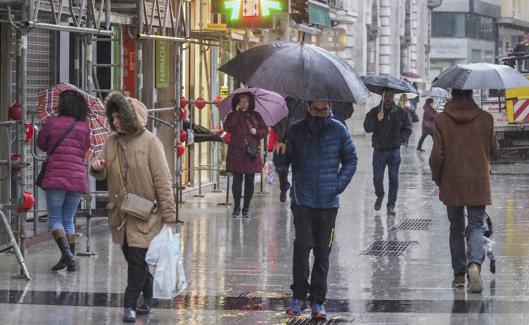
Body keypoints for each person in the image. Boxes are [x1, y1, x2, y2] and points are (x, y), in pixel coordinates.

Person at [90, 91, 177, 322]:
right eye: (113, 117)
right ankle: (149, 297)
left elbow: (163, 179)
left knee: (137, 260)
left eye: (119, 117)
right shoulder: (111, 142)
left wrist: (169, 213)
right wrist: (97, 167)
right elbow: (103, 170)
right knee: (133, 259)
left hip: (146, 213)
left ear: (131, 118)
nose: (115, 122)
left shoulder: (151, 142)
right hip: (120, 215)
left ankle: (129, 304)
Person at [280, 100, 357, 320]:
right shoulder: (295, 129)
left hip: (328, 204)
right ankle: (298, 297)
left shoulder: (338, 130)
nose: (320, 113)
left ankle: (318, 301)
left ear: (330, 107)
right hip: (302, 201)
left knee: (323, 253)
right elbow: (285, 160)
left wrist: (338, 185)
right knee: (302, 249)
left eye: (324, 110)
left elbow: (351, 159)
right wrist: (279, 154)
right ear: (308, 107)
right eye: (316, 109)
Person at [429, 89, 499, 293]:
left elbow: (437, 156)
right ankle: (475, 264)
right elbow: (494, 149)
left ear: (452, 94)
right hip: (478, 181)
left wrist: (437, 176)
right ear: (471, 94)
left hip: (452, 182)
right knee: (476, 225)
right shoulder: (486, 118)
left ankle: (459, 276)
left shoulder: (442, 120)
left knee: (456, 228)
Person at [37, 90, 91, 273]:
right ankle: (68, 259)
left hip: (56, 178)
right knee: (68, 219)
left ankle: (70, 257)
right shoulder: (84, 126)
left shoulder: (52, 122)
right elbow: (86, 147)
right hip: (77, 179)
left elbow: (41, 144)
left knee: (54, 220)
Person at [363, 89, 412, 215]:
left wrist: (400, 140)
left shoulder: (401, 112)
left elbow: (408, 128)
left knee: (393, 178)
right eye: (386, 95)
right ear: (382, 96)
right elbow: (367, 128)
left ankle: (391, 205)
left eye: (391, 95)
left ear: (394, 96)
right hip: (379, 151)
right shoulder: (374, 111)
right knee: (377, 178)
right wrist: (376, 119)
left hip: (394, 151)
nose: (388, 98)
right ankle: (380, 195)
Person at [224, 93, 268, 218]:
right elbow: (227, 128)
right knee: (237, 181)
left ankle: (246, 208)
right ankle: (236, 207)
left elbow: (265, 131)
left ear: (250, 103)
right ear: (237, 102)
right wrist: (237, 114)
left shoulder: (255, 115)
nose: (243, 104)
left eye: (246, 102)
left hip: (250, 153)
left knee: (250, 181)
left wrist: (257, 131)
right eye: (241, 101)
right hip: (236, 152)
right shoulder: (233, 115)